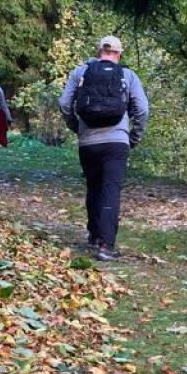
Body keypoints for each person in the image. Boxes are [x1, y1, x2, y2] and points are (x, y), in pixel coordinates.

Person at [59, 35, 149, 261]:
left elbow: (64, 104)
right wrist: (133, 137)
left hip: (88, 141)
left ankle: (93, 234)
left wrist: (76, 127)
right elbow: (142, 110)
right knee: (111, 190)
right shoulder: (128, 75)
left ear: (98, 51)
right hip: (116, 142)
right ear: (119, 54)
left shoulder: (81, 72)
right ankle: (106, 246)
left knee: (94, 186)